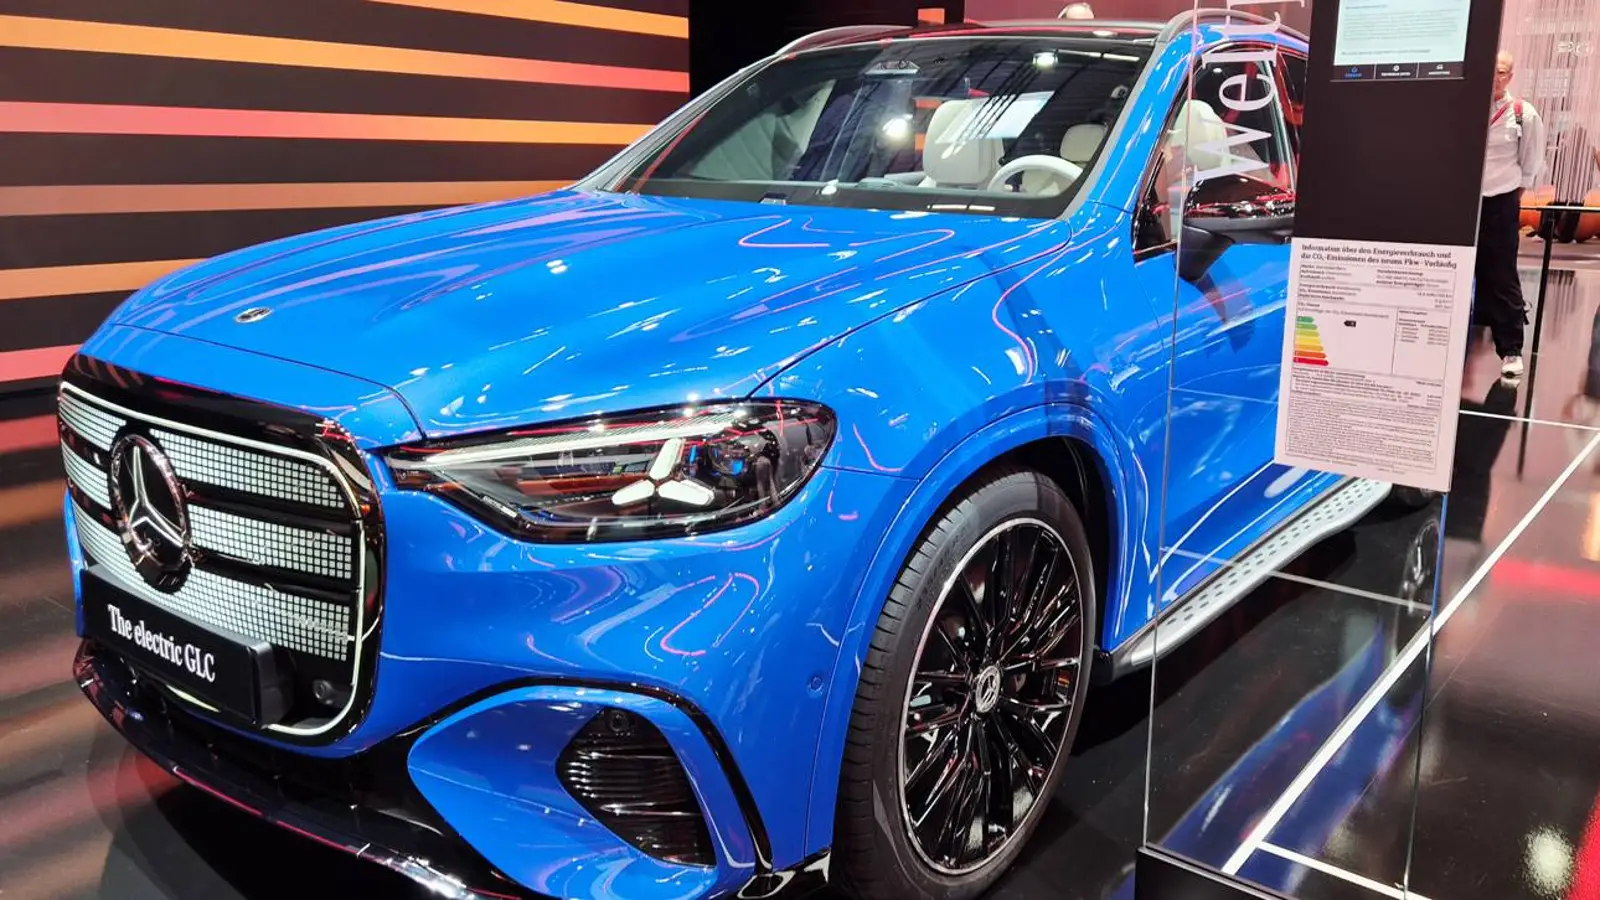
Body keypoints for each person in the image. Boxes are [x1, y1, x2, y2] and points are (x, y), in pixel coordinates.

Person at [1478, 50, 1547, 379]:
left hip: (1501, 199)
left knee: (1502, 273)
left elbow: (1531, 159)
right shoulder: (1467, 107)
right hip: (1466, 202)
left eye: (1502, 72)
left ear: (1511, 76)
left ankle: (1511, 350)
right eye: (1491, 70)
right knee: (1460, 269)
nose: (1495, 77)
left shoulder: (1523, 113)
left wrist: (1515, 193)